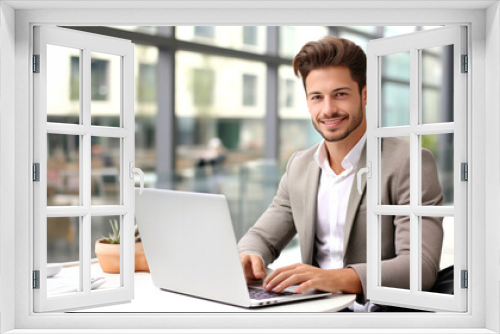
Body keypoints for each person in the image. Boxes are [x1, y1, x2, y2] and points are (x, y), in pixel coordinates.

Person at [237, 36, 444, 311]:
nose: (328, 109)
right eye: (317, 97)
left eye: (340, 94)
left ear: (365, 94)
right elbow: (261, 237)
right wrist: (250, 254)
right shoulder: (299, 166)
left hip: (379, 315)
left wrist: (333, 278)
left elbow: (420, 266)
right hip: (315, 313)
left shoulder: (409, 162)